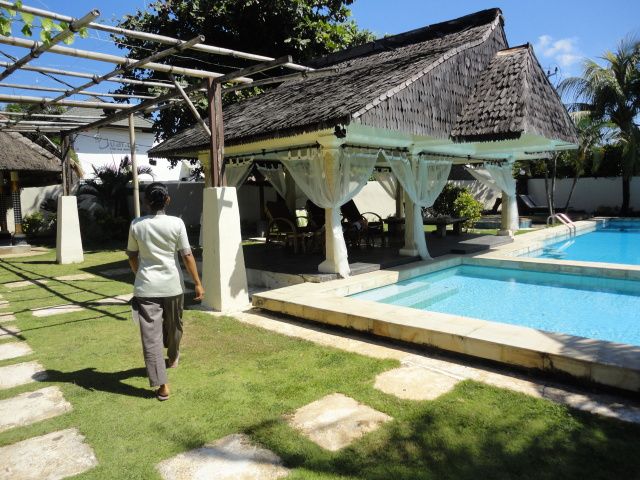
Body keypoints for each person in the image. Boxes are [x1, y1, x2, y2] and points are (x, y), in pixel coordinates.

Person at [126, 182, 204, 401]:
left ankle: (162, 385)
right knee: (175, 325)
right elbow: (186, 255)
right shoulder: (177, 223)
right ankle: (173, 356)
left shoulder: (136, 225)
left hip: (146, 288)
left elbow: (132, 255)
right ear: (167, 200)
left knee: (151, 337)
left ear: (146, 202)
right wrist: (198, 283)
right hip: (173, 286)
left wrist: (140, 274)